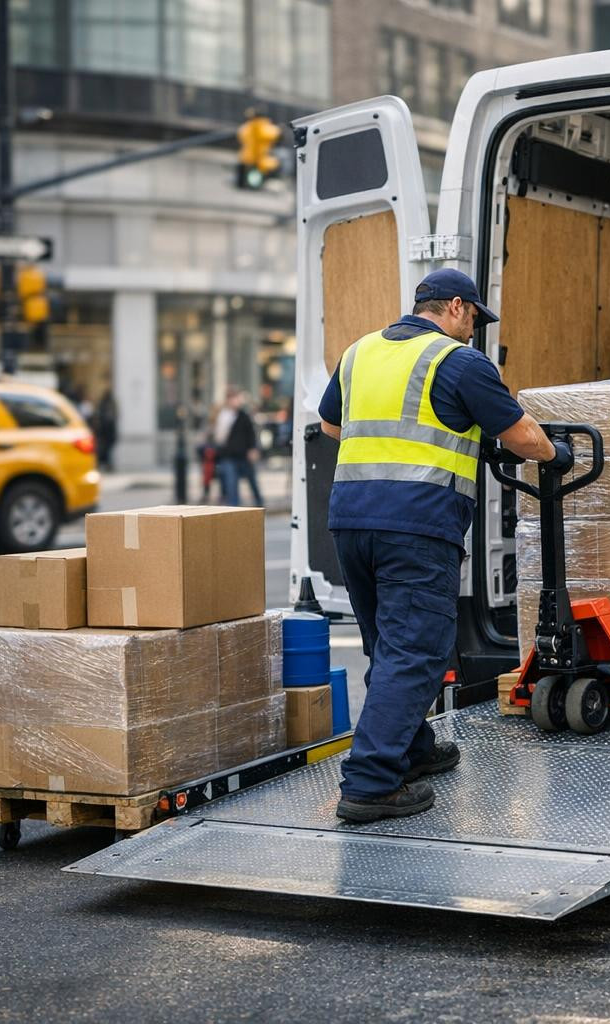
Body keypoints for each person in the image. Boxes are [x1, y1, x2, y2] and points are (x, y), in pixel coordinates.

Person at [318, 268, 568, 823]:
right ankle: (370, 784)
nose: (474, 330)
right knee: (415, 653)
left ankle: (411, 750)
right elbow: (523, 437)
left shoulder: (360, 352)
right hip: (417, 525)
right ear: (456, 306)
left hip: (352, 521)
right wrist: (556, 457)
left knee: (387, 645)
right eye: (475, 318)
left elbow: (332, 425)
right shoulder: (458, 362)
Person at [216, 389, 264, 507]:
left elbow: (251, 433)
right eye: (235, 398)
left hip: (244, 455)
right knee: (231, 484)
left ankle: (259, 503)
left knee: (252, 481)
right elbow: (219, 437)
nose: (237, 401)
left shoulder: (244, 416)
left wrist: (253, 449)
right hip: (229, 455)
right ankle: (234, 508)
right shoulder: (224, 416)